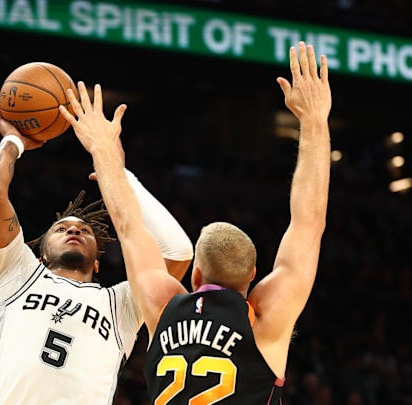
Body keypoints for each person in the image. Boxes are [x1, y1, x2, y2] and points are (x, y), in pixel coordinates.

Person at [62, 41, 331, 404]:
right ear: (253, 276)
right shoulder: (265, 319)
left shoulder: (164, 304)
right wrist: (314, 120)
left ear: (195, 276)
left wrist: (104, 151)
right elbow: (309, 221)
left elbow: (128, 227)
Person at [0, 100, 194, 403]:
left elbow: (178, 251)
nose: (74, 230)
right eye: (62, 229)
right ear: (40, 255)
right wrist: (14, 141)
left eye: (84, 230)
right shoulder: (18, 272)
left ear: (98, 263)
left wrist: (118, 173)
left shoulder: (121, 305)